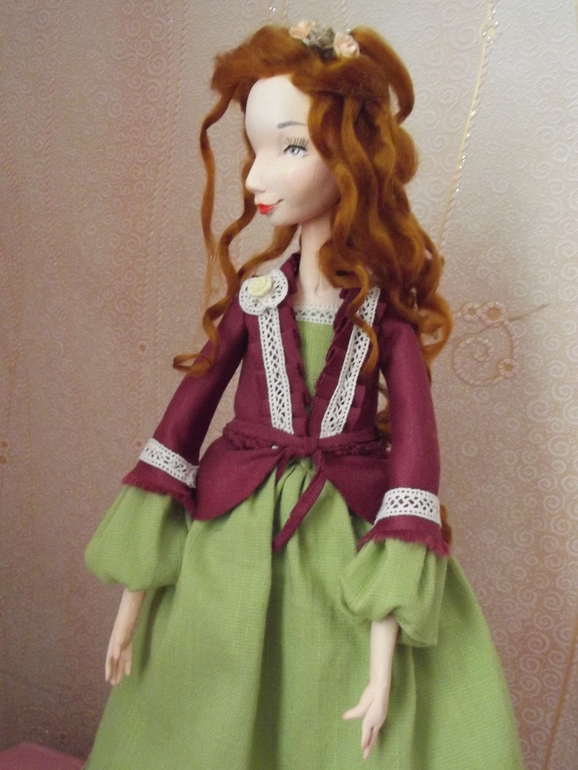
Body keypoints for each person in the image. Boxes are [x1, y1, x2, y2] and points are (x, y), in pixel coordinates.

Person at [84, 22, 524, 769]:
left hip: (346, 538)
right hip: (230, 538)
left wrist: (381, 669)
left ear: (352, 158)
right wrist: (132, 606)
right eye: (254, 149)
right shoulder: (256, 297)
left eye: (290, 148)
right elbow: (179, 428)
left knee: (327, 710)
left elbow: (415, 462)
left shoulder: (386, 315)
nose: (257, 178)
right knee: (208, 704)